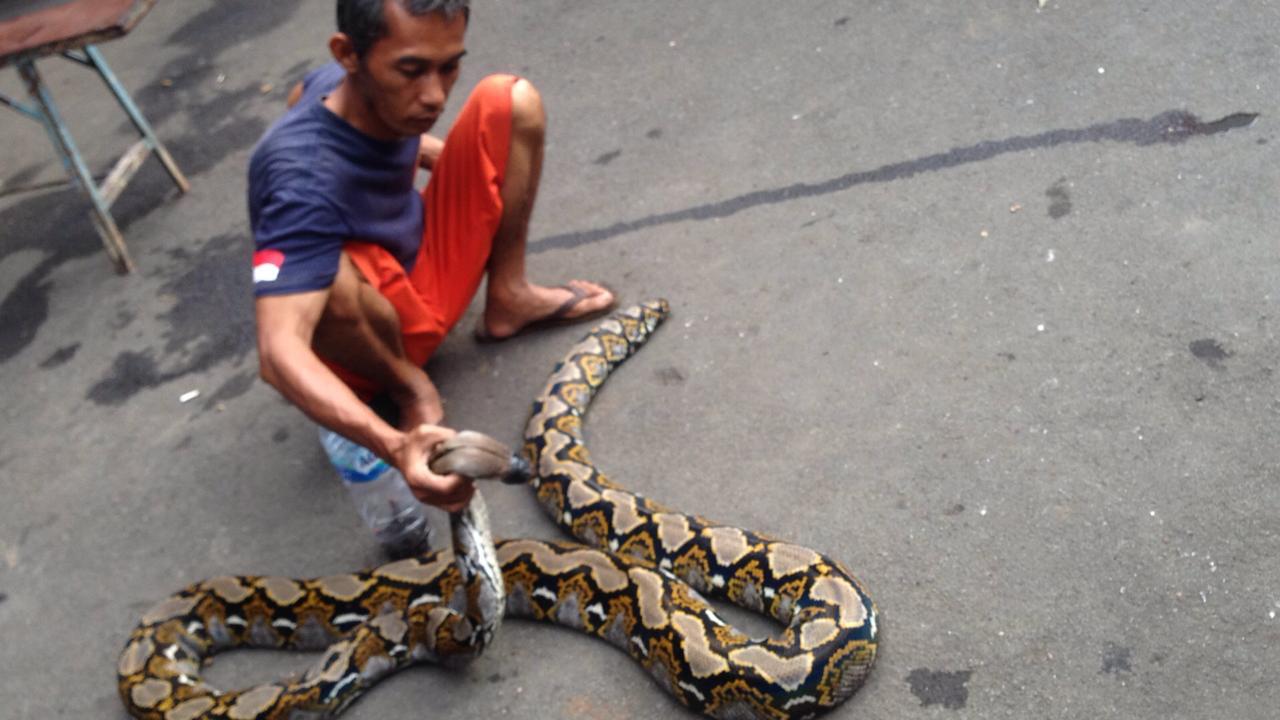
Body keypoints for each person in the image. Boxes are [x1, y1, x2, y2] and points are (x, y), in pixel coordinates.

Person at [248, 0, 615, 514]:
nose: (435, 95)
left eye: (449, 67)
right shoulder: (298, 181)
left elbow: (338, 112)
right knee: (320, 272)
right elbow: (277, 352)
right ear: (348, 54)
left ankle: (508, 297)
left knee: (511, 99)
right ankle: (408, 385)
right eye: (412, 71)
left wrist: (456, 162)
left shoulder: (335, 85)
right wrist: (394, 444)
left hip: (421, 266)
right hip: (377, 331)